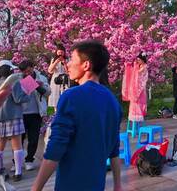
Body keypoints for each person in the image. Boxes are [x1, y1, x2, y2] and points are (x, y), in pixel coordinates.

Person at [32, 40, 122, 191]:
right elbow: (114, 148)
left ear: (86, 65)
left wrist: (36, 187)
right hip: (97, 183)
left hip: (71, 183)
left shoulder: (71, 97)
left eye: (72, 59)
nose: (68, 64)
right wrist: (117, 185)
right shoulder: (113, 101)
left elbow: (56, 148)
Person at [18, 60, 51, 171]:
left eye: (29, 70)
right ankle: (16, 161)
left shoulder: (41, 78)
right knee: (19, 139)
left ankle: (29, 159)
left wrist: (37, 85)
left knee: (33, 138)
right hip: (21, 113)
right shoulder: (17, 78)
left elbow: (47, 92)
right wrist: (29, 83)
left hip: (36, 112)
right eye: (25, 72)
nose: (27, 73)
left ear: (33, 67)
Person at [128, 53, 148, 122]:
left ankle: (137, 117)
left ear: (143, 60)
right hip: (136, 87)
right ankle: (135, 117)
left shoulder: (144, 66)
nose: (138, 61)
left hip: (140, 88)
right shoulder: (139, 66)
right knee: (135, 102)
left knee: (139, 102)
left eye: (139, 60)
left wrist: (133, 68)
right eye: (137, 60)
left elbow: (138, 74)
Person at [47, 44, 69, 109]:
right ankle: (50, 115)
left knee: (64, 95)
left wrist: (64, 63)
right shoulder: (54, 59)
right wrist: (56, 62)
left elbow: (69, 72)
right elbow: (50, 71)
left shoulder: (67, 59)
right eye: (59, 52)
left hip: (64, 79)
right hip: (55, 79)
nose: (60, 54)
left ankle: (62, 112)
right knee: (53, 96)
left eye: (62, 52)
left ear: (64, 53)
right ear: (56, 52)